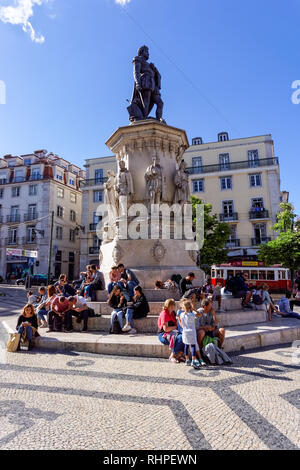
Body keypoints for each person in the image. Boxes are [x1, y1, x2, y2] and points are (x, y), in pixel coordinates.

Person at [178, 300, 205, 368]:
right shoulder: (192, 314)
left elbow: (180, 322)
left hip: (185, 332)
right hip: (192, 332)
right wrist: (194, 309)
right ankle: (193, 360)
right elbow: (200, 314)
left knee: (186, 346)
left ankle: (187, 360)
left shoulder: (181, 314)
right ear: (190, 307)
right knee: (193, 346)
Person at [157, 299, 184, 363]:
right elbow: (165, 329)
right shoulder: (164, 313)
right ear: (167, 306)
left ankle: (179, 355)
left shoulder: (172, 313)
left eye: (173, 305)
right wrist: (175, 327)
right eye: (171, 306)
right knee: (180, 338)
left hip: (172, 332)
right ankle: (173, 355)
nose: (173, 307)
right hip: (163, 335)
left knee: (185, 336)